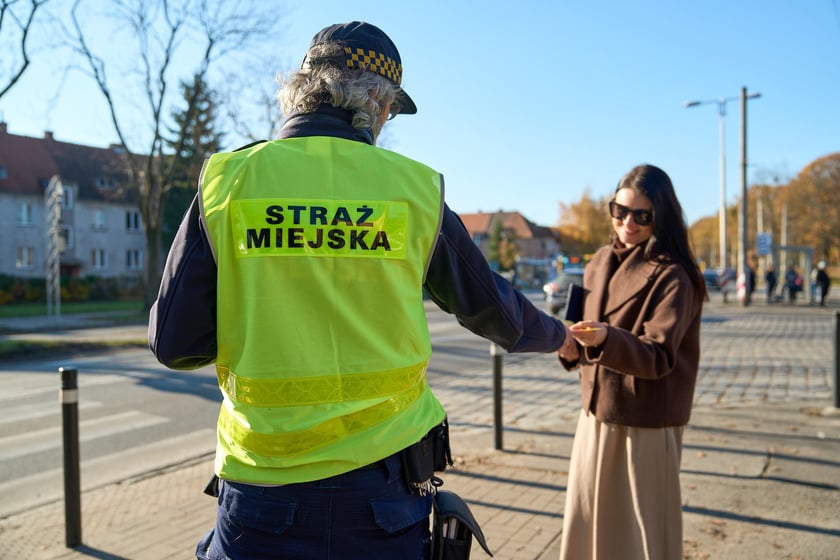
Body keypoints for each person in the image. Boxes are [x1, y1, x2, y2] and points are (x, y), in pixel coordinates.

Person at [148, 21, 576, 559]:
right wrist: (561, 336)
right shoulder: (412, 190)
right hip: (383, 497)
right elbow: (495, 310)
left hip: (261, 495)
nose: (387, 121)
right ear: (375, 99)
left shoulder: (229, 181)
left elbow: (173, 343)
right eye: (391, 109)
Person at [556, 164, 706, 560]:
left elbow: (659, 355)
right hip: (594, 413)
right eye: (619, 211)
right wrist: (567, 344)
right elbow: (577, 324)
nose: (628, 222)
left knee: (642, 535)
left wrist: (606, 338)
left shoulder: (675, 276)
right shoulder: (599, 260)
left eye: (643, 215)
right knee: (587, 523)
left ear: (662, 216)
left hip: (646, 420)